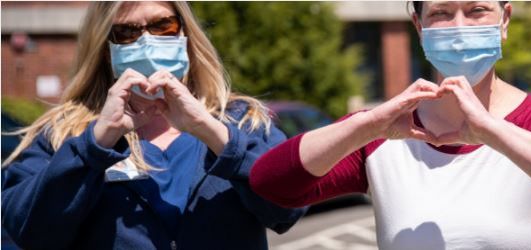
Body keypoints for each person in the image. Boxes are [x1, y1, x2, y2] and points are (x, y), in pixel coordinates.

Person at [250, 1, 531, 249]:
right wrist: (366, 125)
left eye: (477, 10)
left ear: (505, 20)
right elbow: (271, 184)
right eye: (441, 13)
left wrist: (491, 130)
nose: (459, 27)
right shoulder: (387, 131)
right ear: (418, 25)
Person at [1, 2, 305, 249]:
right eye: (126, 32)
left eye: (163, 26)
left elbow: (287, 209)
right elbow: (26, 231)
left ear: (185, 34)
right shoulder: (64, 132)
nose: (147, 41)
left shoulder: (241, 119)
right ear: (105, 48)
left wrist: (209, 130)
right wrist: (94, 146)